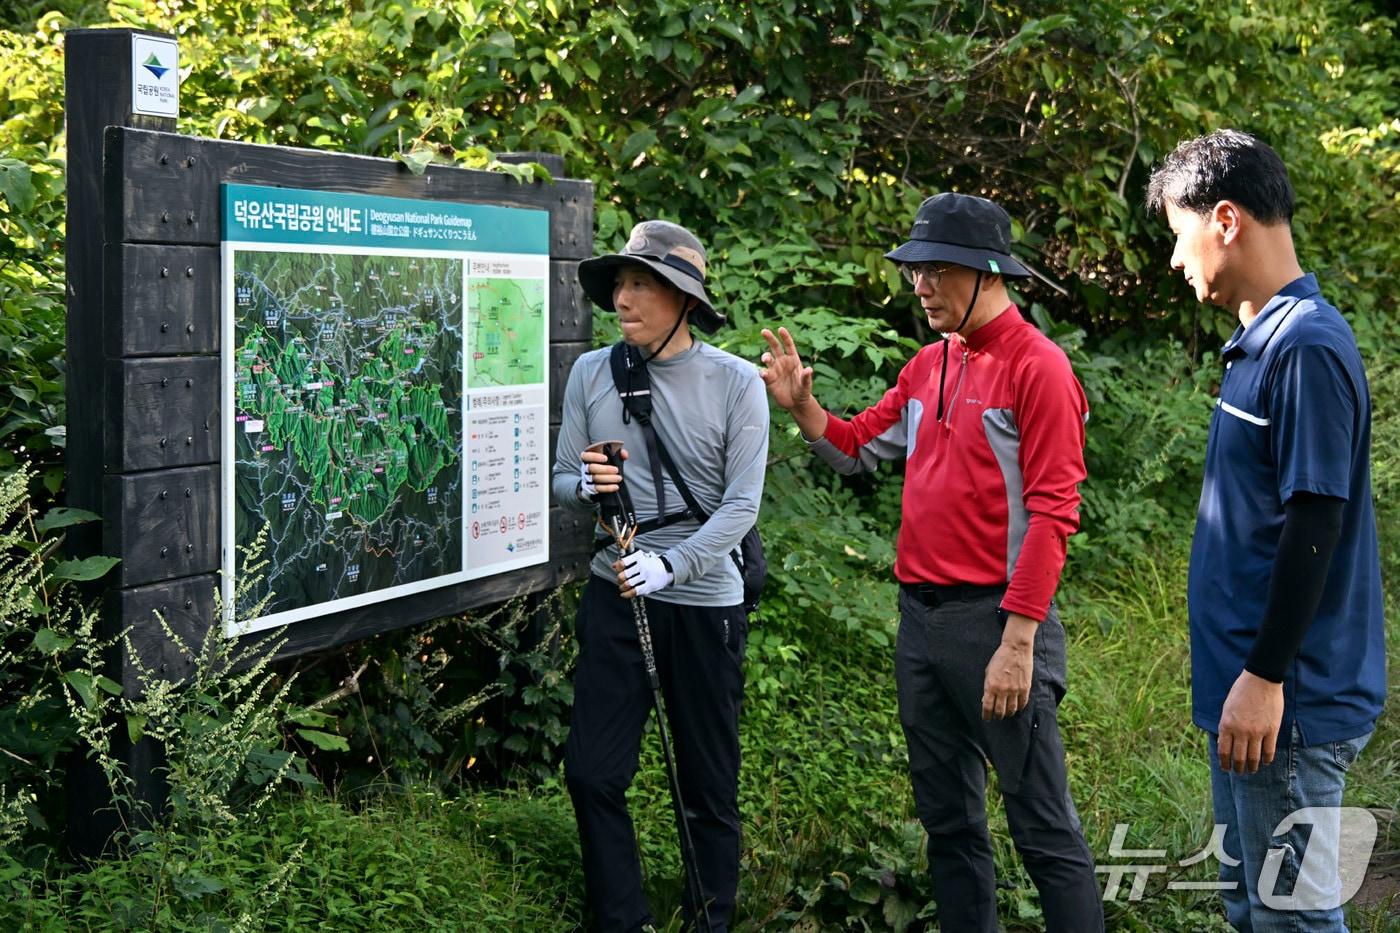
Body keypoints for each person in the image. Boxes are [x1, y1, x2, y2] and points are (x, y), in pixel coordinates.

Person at [760, 192, 1103, 931]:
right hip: (920, 622)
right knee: (948, 823)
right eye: (915, 270)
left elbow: (1053, 514)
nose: (920, 286)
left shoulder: (1038, 369)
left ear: (988, 272)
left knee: (1042, 826)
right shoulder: (927, 365)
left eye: (938, 269)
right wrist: (802, 410)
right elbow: (855, 448)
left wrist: (1018, 643)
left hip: (998, 624)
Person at [1146, 129, 1385, 931]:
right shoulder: (1259, 342)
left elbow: (1315, 522)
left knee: (1294, 917)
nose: (1177, 262)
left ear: (1224, 220)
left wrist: (1266, 675)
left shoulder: (1308, 347)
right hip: (1249, 699)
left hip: (1287, 703)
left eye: (1179, 238)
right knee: (1252, 907)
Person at [552, 220, 768, 932]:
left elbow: (741, 506)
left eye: (641, 282)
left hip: (705, 600)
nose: (623, 297)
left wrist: (672, 562)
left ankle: (710, 918)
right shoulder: (592, 373)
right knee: (592, 770)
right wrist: (588, 486)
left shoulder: (737, 384)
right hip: (615, 591)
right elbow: (561, 478)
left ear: (682, 298)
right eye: (619, 282)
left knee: (707, 781)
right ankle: (621, 919)